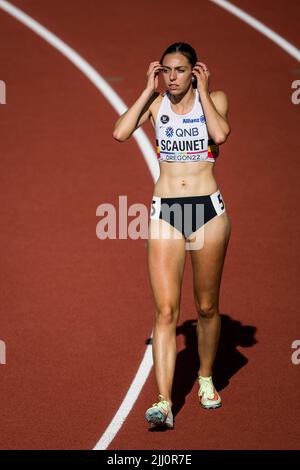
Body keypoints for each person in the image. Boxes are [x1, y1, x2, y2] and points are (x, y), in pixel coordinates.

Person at [113, 42, 232, 429]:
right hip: (166, 211)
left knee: (207, 306)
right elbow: (120, 133)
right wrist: (147, 90)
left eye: (180, 70)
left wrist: (205, 90)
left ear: (194, 71)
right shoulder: (155, 103)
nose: (173, 77)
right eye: (167, 71)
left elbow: (222, 134)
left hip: (206, 210)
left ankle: (205, 377)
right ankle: (164, 401)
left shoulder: (214, 99)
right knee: (165, 311)